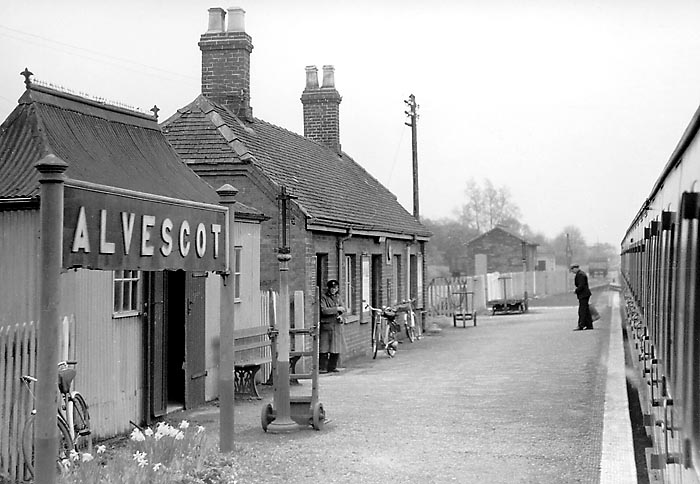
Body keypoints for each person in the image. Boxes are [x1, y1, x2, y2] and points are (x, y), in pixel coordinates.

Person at [319, 279, 345, 373]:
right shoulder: (324, 298)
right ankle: (323, 367)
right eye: (331, 288)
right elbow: (324, 310)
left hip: (336, 325)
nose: (333, 290)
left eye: (335, 288)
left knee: (336, 346)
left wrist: (341, 315)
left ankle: (332, 366)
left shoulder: (338, 297)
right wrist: (336, 309)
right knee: (324, 346)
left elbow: (343, 308)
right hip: (327, 324)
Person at [571, 264, 593, 330]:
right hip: (585, 294)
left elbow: (581, 285)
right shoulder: (581, 274)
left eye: (572, 270)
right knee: (586, 310)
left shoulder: (580, 275)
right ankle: (589, 325)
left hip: (583, 294)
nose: (572, 271)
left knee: (582, 310)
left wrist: (576, 290)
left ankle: (581, 325)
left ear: (575, 268)